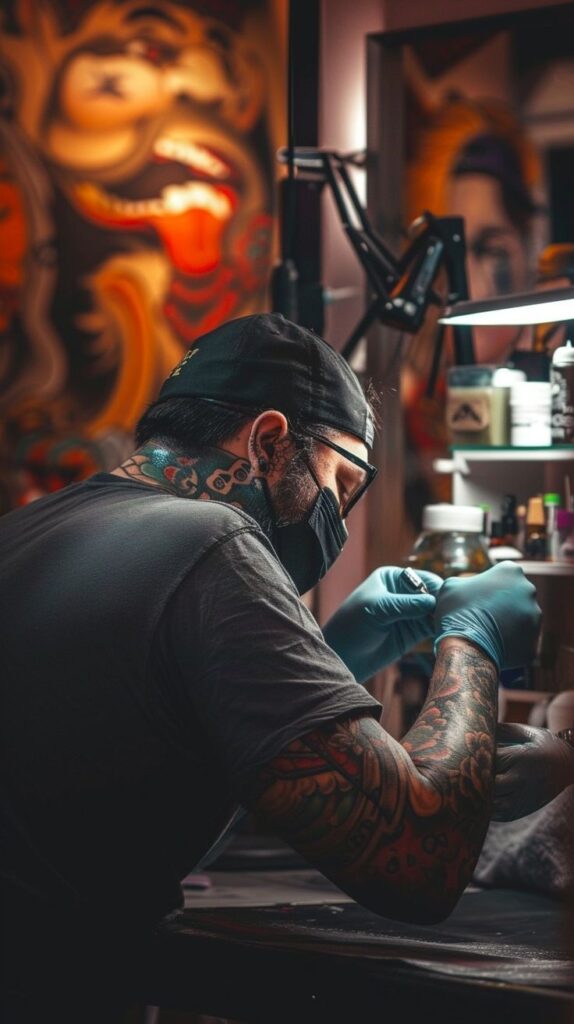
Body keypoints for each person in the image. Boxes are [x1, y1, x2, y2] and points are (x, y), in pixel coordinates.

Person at [0, 313, 545, 1020]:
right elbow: (421, 860)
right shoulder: (213, 539)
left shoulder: (26, 531)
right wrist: (473, 639)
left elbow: (119, 793)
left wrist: (332, 661)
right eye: (341, 483)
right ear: (267, 441)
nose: (340, 519)